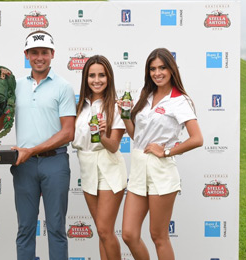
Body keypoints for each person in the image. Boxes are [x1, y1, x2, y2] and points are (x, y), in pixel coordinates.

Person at [0, 30, 76, 260]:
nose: (40, 57)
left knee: (56, 228)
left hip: (55, 162)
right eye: (34, 52)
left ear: (52, 54)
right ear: (26, 54)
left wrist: (32, 151)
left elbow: (68, 132)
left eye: (44, 52)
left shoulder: (64, 87)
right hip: (23, 165)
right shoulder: (14, 86)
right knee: (25, 229)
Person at [120, 48, 203, 260]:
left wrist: (166, 151)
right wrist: (125, 116)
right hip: (138, 170)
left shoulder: (180, 100)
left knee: (158, 236)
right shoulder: (143, 94)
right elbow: (136, 136)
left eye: (162, 68)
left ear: (171, 69)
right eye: (153, 69)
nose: (157, 73)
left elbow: (197, 139)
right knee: (129, 234)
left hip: (161, 172)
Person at [71, 55, 127, 260]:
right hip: (87, 170)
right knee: (102, 232)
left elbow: (113, 146)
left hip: (109, 169)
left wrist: (103, 135)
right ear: (85, 78)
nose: (97, 80)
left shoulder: (116, 106)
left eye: (101, 75)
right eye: (92, 75)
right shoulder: (80, 106)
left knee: (105, 230)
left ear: (109, 77)